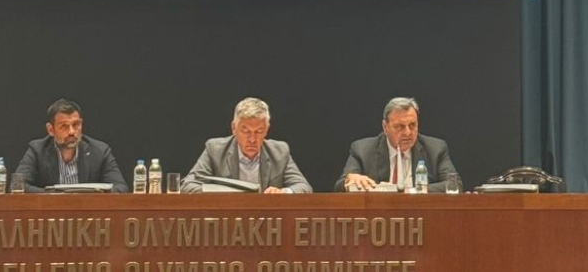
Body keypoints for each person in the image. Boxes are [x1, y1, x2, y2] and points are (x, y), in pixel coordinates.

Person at [181, 97, 312, 194]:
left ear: (267, 129)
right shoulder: (215, 150)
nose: (252, 139)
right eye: (246, 131)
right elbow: (188, 186)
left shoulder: (280, 152)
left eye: (259, 131)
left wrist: (283, 192)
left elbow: (304, 187)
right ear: (234, 128)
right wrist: (224, 193)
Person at [336, 97, 460, 192]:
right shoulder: (362, 150)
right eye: (399, 126)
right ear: (385, 127)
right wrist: (350, 180)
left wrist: (412, 191)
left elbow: (455, 184)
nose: (407, 132)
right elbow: (339, 186)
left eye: (412, 125)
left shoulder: (435, 149)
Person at [14, 98, 128, 193]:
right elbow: (18, 186)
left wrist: (87, 198)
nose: (72, 132)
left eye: (76, 124)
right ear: (51, 130)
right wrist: (56, 197)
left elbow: (121, 188)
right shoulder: (37, 150)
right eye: (64, 126)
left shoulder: (100, 151)